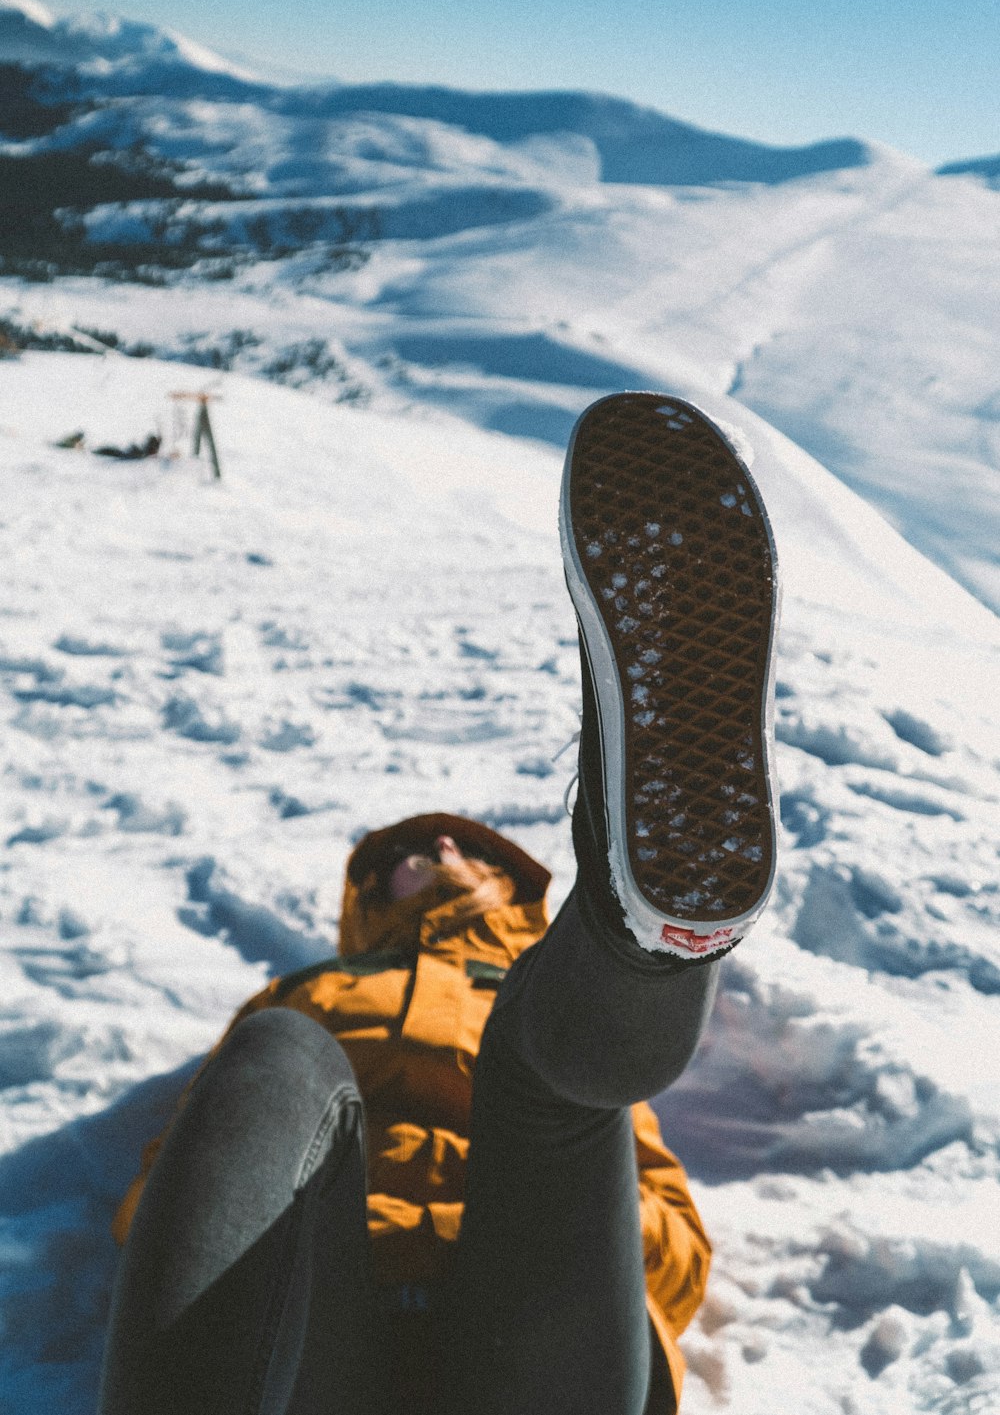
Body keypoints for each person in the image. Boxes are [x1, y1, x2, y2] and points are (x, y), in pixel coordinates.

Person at [98, 391, 779, 1415]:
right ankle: (648, 930)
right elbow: (184, 1190)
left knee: (556, 1064)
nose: (445, 846)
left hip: (541, 1345)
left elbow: (673, 1241)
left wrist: (577, 1233)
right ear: (370, 893)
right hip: (314, 1326)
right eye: (415, 849)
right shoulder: (315, 987)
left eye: (468, 844)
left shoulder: (542, 989)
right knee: (277, 1053)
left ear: (514, 884)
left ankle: (645, 925)